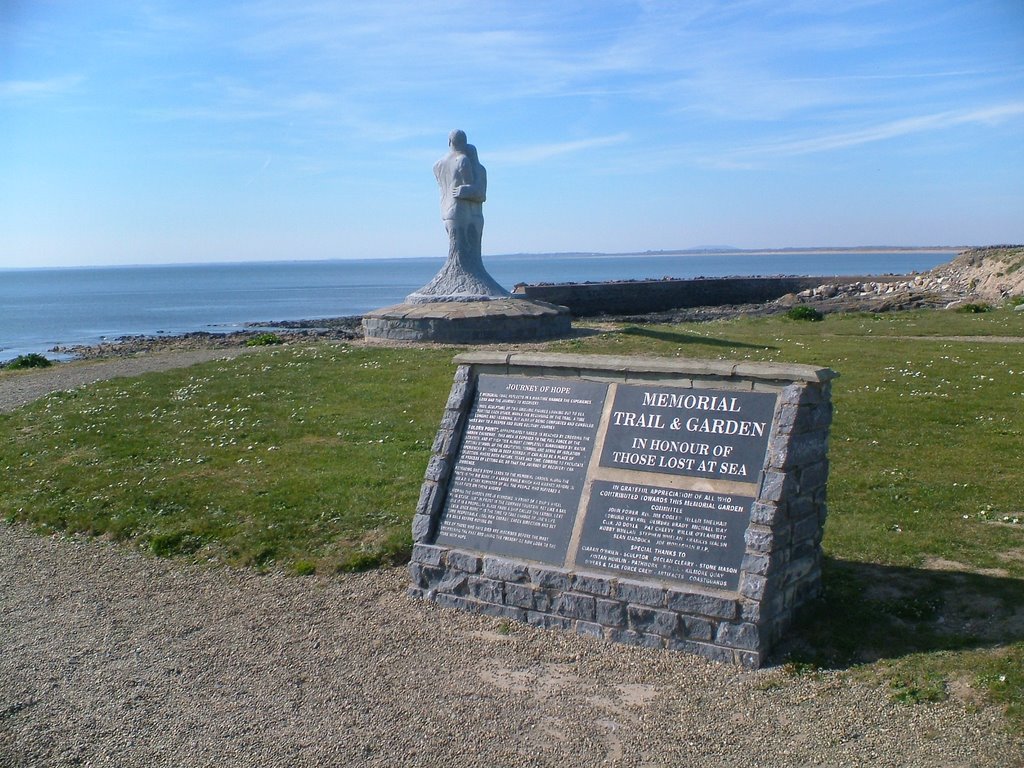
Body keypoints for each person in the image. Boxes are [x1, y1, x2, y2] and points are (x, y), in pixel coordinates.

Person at [406, 130, 508, 303]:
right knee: (465, 250)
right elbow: (477, 193)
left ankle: (462, 279)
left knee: (458, 248)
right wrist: (467, 189)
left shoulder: (437, 164)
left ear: (449, 142)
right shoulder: (464, 161)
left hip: (447, 212)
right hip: (465, 213)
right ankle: (466, 281)